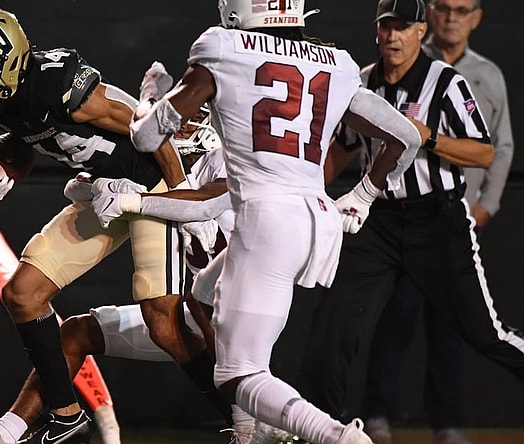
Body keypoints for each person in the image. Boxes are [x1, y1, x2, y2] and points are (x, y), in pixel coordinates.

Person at [127, 1, 425, 443]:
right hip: (319, 220)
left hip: (268, 220)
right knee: (203, 293)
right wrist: (362, 196)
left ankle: (337, 436)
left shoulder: (222, 47)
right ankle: (253, 433)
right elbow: (407, 137)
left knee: (236, 375)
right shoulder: (336, 61)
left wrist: (152, 101)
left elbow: (146, 137)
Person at [0, 8, 228, 444]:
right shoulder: (5, 98)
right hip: (103, 191)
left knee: (164, 324)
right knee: (23, 294)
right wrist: (2, 160)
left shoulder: (56, 84)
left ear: (8, 65)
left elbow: (144, 127)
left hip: (153, 185)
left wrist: (181, 198)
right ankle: (64, 418)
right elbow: (35, 132)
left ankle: (245, 421)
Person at [0, 110, 257, 444]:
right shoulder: (153, 167)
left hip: (230, 320)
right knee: (74, 334)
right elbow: (79, 188)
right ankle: (7, 432)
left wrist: (131, 195)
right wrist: (109, 184)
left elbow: (196, 205)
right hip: (191, 312)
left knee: (169, 321)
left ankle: (248, 425)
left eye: (181, 122)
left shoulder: (225, 164)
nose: (169, 130)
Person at [296, 1, 524, 442]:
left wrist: (429, 138)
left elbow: (485, 152)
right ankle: (320, 430)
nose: (392, 38)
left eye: (402, 28)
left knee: (484, 333)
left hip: (437, 219)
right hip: (377, 221)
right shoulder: (359, 84)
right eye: (385, 27)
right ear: (376, 32)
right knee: (334, 323)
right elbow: (339, 152)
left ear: (422, 31)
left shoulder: (446, 83)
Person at [359, 1, 515, 443]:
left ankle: (446, 424)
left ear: (476, 18)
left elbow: (497, 148)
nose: (451, 18)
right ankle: (376, 416)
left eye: (461, 10)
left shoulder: (482, 75)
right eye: (444, 8)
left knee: (458, 327)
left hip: (452, 213)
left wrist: (487, 206)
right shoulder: (391, 66)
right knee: (394, 320)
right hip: (395, 215)